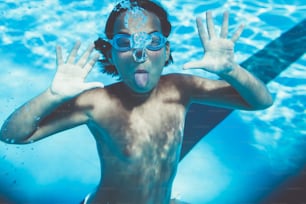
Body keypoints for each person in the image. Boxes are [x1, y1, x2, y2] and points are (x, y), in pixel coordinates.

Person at [0, 0, 273, 203]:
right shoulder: (98, 103)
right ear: (111, 55)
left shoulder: (180, 88)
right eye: (124, 43)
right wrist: (52, 96)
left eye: (152, 41)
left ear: (166, 51)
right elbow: (13, 136)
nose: (139, 53)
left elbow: (259, 102)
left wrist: (231, 71)